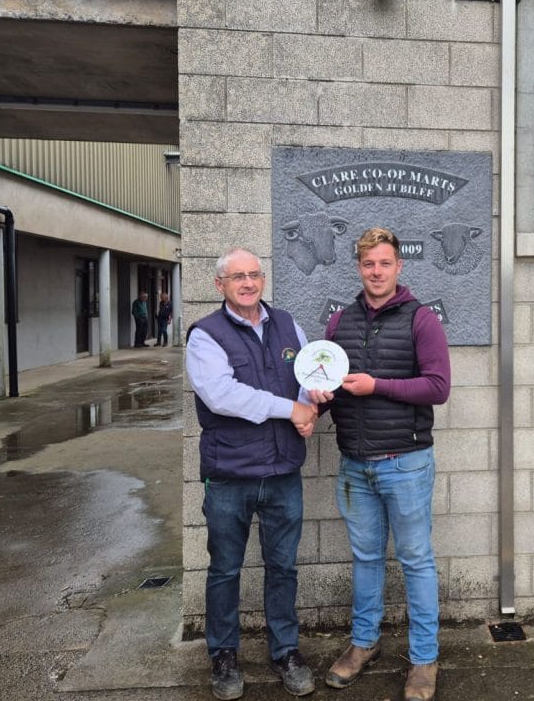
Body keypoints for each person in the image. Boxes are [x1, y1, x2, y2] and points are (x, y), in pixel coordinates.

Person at [309, 227, 451, 701]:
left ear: (398, 267)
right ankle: (363, 645)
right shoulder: (340, 323)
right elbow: (332, 386)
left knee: (416, 561)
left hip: (406, 463)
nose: (376, 272)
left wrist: (379, 385)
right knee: (366, 559)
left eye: (385, 263)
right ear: (358, 267)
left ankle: (424, 660)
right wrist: (314, 404)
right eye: (369, 264)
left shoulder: (421, 319)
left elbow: (437, 387)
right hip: (356, 465)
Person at [185, 247, 319, 700]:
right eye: (236, 276)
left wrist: (313, 401)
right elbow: (224, 396)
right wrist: (293, 408)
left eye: (254, 274)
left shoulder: (288, 324)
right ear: (219, 284)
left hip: (283, 471)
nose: (247, 283)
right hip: (230, 475)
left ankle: (285, 651)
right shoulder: (205, 335)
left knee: (283, 568)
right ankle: (223, 655)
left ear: (263, 279)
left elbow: (306, 375)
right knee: (225, 569)